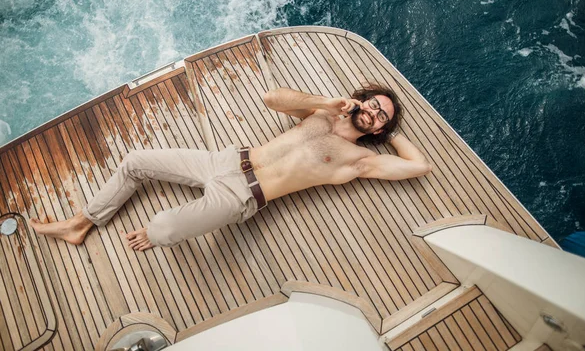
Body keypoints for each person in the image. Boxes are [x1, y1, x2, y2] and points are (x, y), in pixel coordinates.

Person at [29, 83, 432, 251]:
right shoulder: (320, 114)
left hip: (243, 195)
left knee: (163, 228)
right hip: (224, 159)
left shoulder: (360, 160)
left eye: (383, 116)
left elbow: (420, 166)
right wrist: (328, 103)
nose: (376, 113)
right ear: (360, 100)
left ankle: (127, 228)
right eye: (375, 105)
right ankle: (80, 223)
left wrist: (389, 132)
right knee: (135, 161)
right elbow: (271, 98)